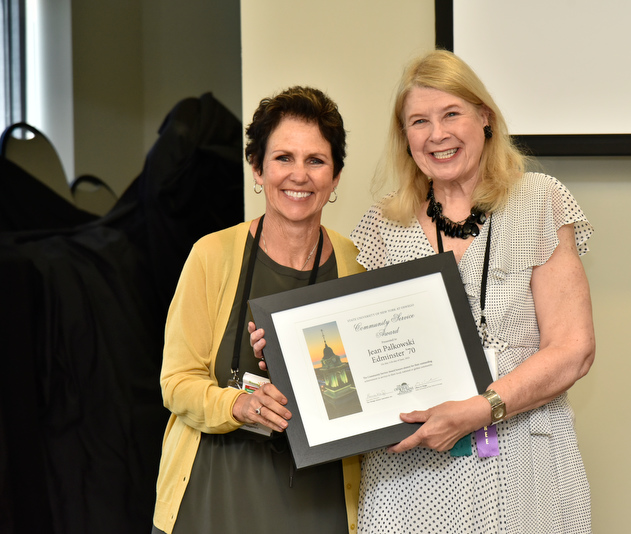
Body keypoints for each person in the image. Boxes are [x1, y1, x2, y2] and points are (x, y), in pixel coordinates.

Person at [252, 50, 596, 533]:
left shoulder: (539, 201)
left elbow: (574, 350)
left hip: (524, 467)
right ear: (405, 136)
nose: (437, 134)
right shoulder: (378, 229)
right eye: (419, 121)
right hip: (409, 480)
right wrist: (288, 355)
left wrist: (481, 409)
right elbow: (349, 355)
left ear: (485, 117)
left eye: (451, 114)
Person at [152, 86, 364, 534]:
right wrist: (240, 405)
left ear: (336, 175)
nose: (299, 176)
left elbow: (358, 387)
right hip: (214, 500)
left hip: (317, 502)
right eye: (283, 158)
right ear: (257, 168)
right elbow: (175, 383)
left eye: (316, 160)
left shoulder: (351, 262)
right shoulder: (211, 255)